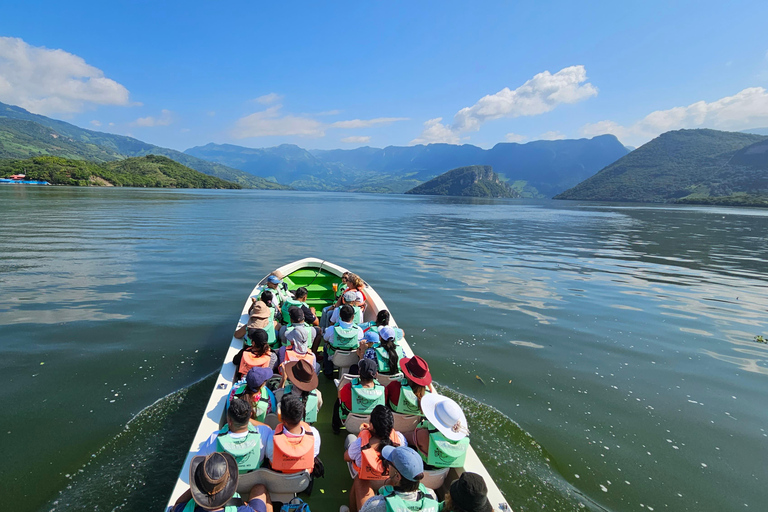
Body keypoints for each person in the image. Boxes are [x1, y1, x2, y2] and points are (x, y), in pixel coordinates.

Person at [344, 405, 407, 512]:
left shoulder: (360, 443)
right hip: (389, 480)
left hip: (366, 479)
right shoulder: (400, 439)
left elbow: (346, 457)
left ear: (372, 425)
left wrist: (363, 434)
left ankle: (351, 509)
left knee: (350, 439)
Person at [172, 452, 274, 512]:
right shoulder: (242, 510)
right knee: (260, 488)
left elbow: (177, 504)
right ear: (229, 483)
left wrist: (199, 483)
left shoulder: (183, 509)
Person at [195, 398, 273, 473]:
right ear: (250, 416)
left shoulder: (214, 438)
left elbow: (198, 463)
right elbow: (268, 428)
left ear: (229, 420)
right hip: (252, 482)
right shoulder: (263, 433)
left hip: (228, 484)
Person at [354, 446, 439, 512]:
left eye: (389, 463)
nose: (388, 466)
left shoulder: (376, 505)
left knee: (360, 480)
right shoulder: (432, 496)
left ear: (397, 476)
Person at [266, 393, 321, 474]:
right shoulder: (314, 434)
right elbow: (314, 454)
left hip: (278, 480)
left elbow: (269, 456)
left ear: (282, 418)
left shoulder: (271, 438)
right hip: (303, 480)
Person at [413, 395, 469, 469]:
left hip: (422, 468)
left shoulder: (423, 435)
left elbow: (407, 439)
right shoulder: (461, 444)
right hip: (441, 474)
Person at [333, 358, 385, 433]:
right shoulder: (382, 390)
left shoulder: (348, 388)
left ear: (359, 372)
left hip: (351, 421)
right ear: (376, 374)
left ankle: (336, 427)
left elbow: (340, 396)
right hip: (374, 423)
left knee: (338, 402)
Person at [323, 304, 364, 377]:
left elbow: (325, 340)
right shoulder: (359, 331)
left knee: (326, 346)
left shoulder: (331, 329)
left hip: (334, 357)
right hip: (352, 359)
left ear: (339, 315)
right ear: (353, 316)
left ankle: (328, 372)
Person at [280, 359, 323, 424]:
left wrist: (283, 379)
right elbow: (318, 408)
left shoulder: (281, 393)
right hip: (307, 429)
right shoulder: (317, 394)